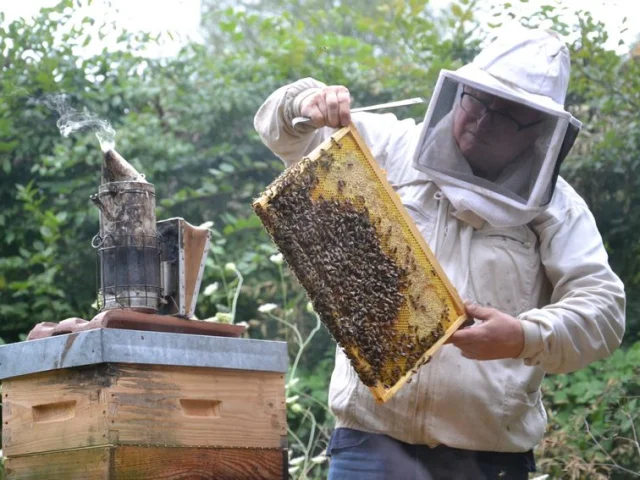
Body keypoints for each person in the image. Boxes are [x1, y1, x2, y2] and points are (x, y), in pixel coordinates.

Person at [254, 23, 625, 479]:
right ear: (459, 91)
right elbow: (283, 132)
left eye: (507, 114)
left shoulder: (556, 207)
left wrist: (525, 336)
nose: (483, 120)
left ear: (539, 132)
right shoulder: (390, 145)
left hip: (487, 459)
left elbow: (604, 311)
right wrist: (304, 104)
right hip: (370, 444)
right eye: (478, 100)